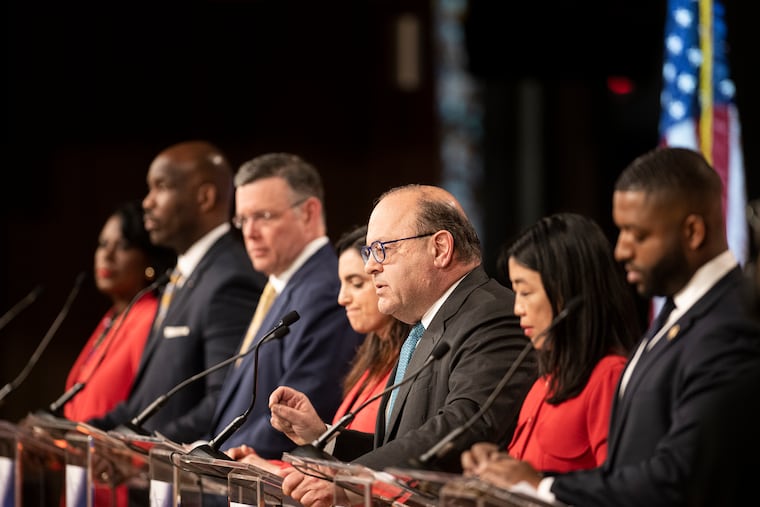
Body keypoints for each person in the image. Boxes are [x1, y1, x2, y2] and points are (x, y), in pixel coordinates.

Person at [461, 146, 760, 507]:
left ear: (693, 232)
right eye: (621, 232)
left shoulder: (732, 323)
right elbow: (623, 468)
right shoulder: (678, 313)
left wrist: (542, 487)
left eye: (638, 234)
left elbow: (679, 476)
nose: (621, 250)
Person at [276, 184, 536, 507]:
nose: (371, 266)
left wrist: (351, 480)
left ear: (440, 249)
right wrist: (324, 437)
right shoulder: (423, 327)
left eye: (382, 249)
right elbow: (399, 443)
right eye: (369, 253)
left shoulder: (492, 315)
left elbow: (462, 427)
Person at [89, 140, 266, 444]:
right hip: (151, 480)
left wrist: (139, 448)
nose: (147, 202)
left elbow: (223, 401)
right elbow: (144, 403)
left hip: (185, 483)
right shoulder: (180, 276)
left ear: (205, 197)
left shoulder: (230, 280)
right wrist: (80, 431)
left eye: (161, 187)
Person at [206, 152, 364, 457]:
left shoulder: (327, 292)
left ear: (308, 212)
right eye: (242, 220)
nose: (249, 233)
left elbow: (296, 413)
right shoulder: (282, 287)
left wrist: (223, 464)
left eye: (263, 216)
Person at [466, 213, 638, 474]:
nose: (517, 308)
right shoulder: (543, 382)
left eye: (525, 292)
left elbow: (616, 490)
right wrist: (495, 468)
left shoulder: (609, 378)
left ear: (567, 293)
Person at [227, 225, 410, 466]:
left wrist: (275, 471)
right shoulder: (369, 365)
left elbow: (382, 467)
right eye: (342, 284)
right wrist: (267, 467)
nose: (342, 298)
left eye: (356, 283)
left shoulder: (409, 363)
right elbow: (340, 465)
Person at [63, 200, 175, 422]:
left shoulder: (150, 317)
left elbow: (143, 401)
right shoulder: (113, 316)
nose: (107, 255)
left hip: (116, 451)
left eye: (123, 246)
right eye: (103, 244)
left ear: (148, 257)